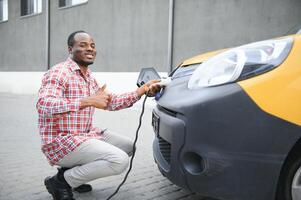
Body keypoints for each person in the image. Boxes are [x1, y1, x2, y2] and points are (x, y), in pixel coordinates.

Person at [36, 30, 161, 200]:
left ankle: (71, 173)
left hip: (84, 135)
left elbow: (111, 102)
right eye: (83, 45)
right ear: (70, 49)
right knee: (119, 160)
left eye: (92, 46)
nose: (90, 49)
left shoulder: (88, 77)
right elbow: (44, 105)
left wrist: (140, 91)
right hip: (60, 141)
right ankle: (61, 181)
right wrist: (86, 101)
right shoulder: (60, 72)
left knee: (128, 147)